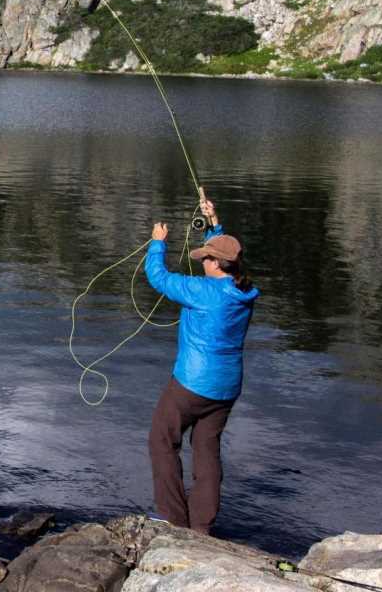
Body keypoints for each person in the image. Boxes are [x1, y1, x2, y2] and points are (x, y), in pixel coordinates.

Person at [144, 193, 259, 534]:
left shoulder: (202, 291)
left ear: (214, 263)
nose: (201, 261)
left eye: (206, 257)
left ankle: (174, 520)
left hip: (191, 384)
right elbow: (226, 256)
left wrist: (157, 244)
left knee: (161, 441)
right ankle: (201, 527)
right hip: (226, 388)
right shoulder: (244, 290)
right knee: (207, 450)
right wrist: (214, 222)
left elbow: (159, 278)